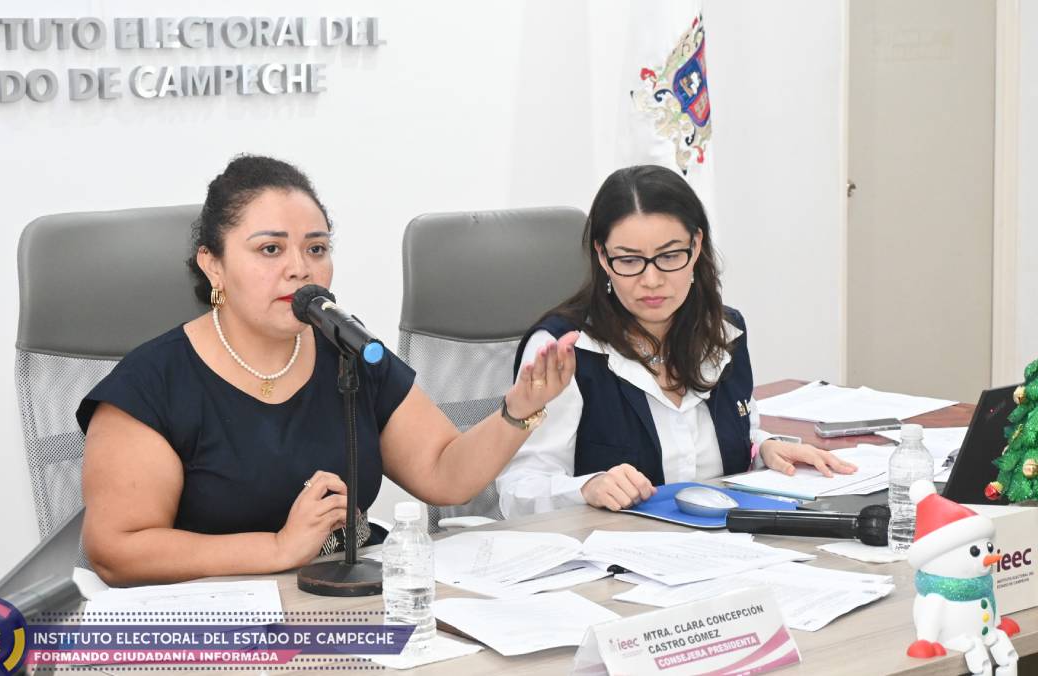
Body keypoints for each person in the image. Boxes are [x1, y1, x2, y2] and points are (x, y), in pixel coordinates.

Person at [77, 154, 577, 585]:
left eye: (316, 248)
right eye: (270, 249)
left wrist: (517, 411)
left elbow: (445, 474)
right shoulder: (151, 385)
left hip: (349, 595)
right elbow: (116, 550)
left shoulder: (348, 351)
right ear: (212, 265)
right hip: (225, 623)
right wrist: (277, 548)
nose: (301, 268)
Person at [496, 165, 856, 518]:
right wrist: (586, 488)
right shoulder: (565, 350)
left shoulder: (723, 332)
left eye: (669, 256)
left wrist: (765, 449)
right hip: (609, 550)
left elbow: (724, 439)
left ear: (696, 246)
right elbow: (518, 489)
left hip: (722, 544)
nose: (651, 280)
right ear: (603, 257)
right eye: (629, 260)